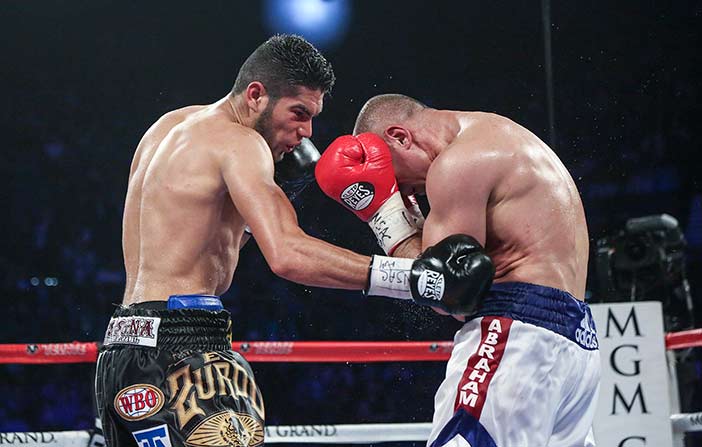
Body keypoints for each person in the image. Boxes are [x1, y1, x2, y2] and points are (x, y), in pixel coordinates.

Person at [94, 37, 491, 447]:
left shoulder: (169, 127)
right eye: (298, 113)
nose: (306, 133)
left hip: (123, 345)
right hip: (185, 350)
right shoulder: (241, 143)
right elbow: (287, 254)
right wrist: (412, 276)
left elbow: (203, 249)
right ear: (255, 95)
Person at [315, 94, 600, 447]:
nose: (406, 193)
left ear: (400, 137)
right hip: (578, 344)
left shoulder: (456, 164)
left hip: (515, 335)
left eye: (397, 181)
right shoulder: (501, 133)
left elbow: (446, 290)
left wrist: (385, 216)